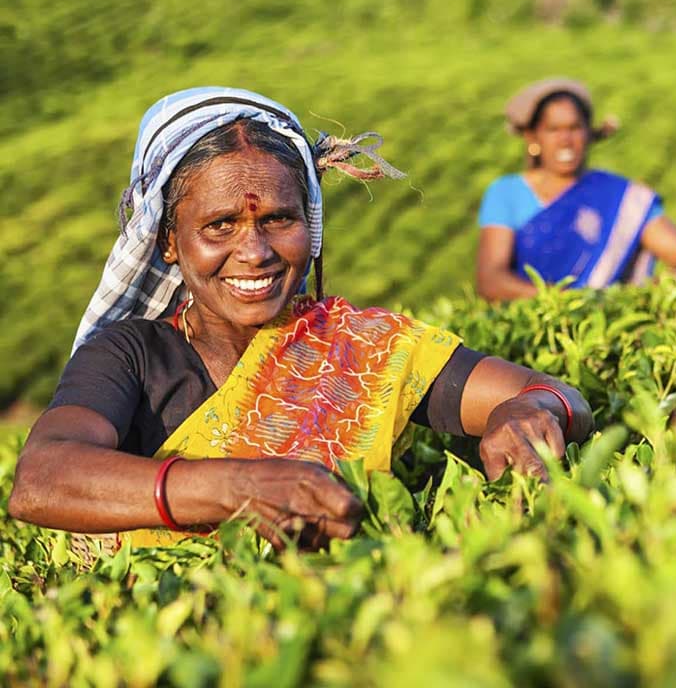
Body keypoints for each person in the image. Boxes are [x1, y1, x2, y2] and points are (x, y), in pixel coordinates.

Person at [8, 87, 593, 552]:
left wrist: (528, 410)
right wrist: (237, 486)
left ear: (308, 226)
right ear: (167, 240)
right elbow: (43, 479)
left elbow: (558, 395)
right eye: (220, 226)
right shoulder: (131, 354)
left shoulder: (358, 350)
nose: (255, 251)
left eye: (278, 220)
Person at [476, 78, 676, 302]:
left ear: (589, 134)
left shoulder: (619, 196)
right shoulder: (507, 193)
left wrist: (667, 283)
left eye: (574, 128)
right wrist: (567, 301)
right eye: (553, 129)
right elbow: (491, 279)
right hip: (531, 326)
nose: (565, 139)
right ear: (533, 137)